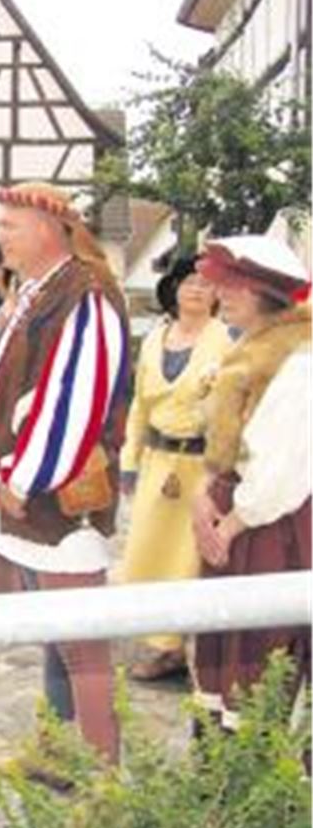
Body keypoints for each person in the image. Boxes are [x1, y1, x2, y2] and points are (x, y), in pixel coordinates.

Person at [0, 182, 129, 767]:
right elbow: (15, 382)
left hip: (60, 500)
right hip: (38, 489)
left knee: (83, 647)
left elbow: (74, 400)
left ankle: (100, 770)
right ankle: (62, 751)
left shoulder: (84, 294)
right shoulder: (46, 291)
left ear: (44, 228)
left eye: (7, 226)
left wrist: (25, 476)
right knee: (59, 638)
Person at [190, 235, 311, 732]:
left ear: (267, 294)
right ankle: (219, 778)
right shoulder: (247, 348)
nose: (224, 296)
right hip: (233, 513)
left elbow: (284, 468)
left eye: (236, 287)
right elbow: (224, 443)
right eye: (224, 286)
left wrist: (232, 524)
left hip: (268, 528)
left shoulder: (299, 360)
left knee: (261, 651)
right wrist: (202, 496)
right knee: (225, 642)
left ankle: (256, 783)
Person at [116, 255, 231, 681]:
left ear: (217, 292)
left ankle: (181, 648)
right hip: (158, 463)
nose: (196, 288)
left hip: (202, 467)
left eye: (205, 282)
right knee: (147, 552)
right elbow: (138, 407)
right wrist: (129, 460)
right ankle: (160, 641)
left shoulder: (225, 340)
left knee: (189, 559)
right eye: (188, 281)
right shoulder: (153, 339)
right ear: (174, 288)